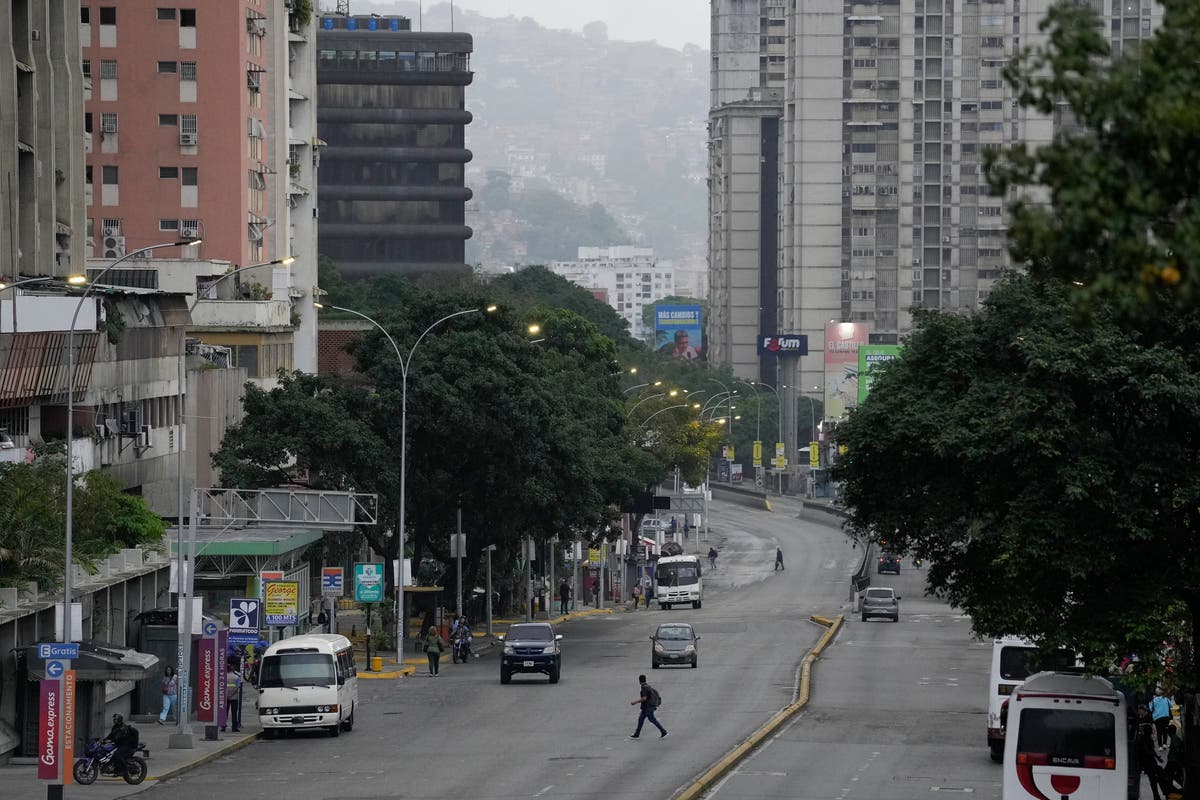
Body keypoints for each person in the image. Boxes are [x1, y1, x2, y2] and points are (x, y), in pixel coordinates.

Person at [1134, 705, 1165, 800]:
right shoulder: (1144, 739)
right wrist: (1156, 756)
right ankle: (1157, 794)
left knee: (1154, 778)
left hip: (1147, 761)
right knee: (1154, 777)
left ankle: (1157, 795)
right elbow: (1148, 750)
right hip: (1147, 761)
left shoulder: (1147, 738)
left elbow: (1150, 749)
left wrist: (1156, 756)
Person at [629, 674, 667, 738]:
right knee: (641, 719)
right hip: (646, 707)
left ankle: (663, 731)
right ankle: (637, 734)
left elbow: (644, 698)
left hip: (648, 707)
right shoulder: (648, 686)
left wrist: (635, 702)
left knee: (652, 719)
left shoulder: (644, 688)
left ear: (639, 681)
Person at [1162, 722, 1184, 793]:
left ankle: (1171, 789)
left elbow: (1177, 750)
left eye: (1168, 732)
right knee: (1170, 775)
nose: (1168, 734)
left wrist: (1177, 759)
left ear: (1171, 732)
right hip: (1173, 760)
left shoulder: (1174, 739)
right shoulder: (1175, 738)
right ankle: (1171, 789)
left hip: (1173, 761)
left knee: (1166, 774)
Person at [223, 657, 243, 732]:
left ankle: (223, 726)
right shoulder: (236, 677)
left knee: (225, 713)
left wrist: (227, 694)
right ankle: (234, 727)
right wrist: (232, 694)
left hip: (225, 697)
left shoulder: (224, 677)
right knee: (234, 713)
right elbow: (238, 686)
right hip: (234, 697)